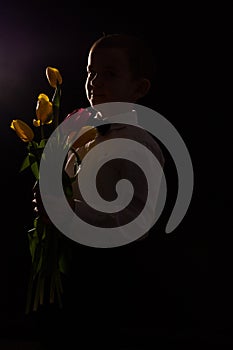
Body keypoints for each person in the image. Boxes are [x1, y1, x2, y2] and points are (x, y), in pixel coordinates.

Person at [34, 33, 165, 349]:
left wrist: (70, 211)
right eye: (91, 71)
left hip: (112, 269)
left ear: (139, 88)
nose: (94, 81)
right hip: (72, 260)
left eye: (110, 74)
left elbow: (139, 216)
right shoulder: (81, 131)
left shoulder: (139, 144)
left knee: (99, 333)